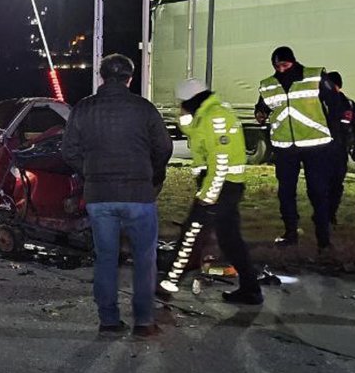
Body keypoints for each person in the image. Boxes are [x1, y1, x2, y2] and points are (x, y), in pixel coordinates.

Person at [62, 54, 173, 337]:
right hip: (139, 194)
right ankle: (144, 321)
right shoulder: (144, 108)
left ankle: (109, 320)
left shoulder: (83, 109)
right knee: (144, 258)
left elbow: (69, 151)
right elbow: (164, 148)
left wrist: (89, 172)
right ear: (130, 78)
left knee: (106, 258)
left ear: (101, 77)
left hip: (99, 196)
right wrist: (153, 174)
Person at [159, 78, 262, 305]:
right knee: (230, 240)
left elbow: (221, 160)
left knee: (191, 234)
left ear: (190, 100)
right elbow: (191, 130)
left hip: (220, 185)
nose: (180, 106)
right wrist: (185, 114)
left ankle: (168, 283)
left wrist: (209, 194)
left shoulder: (215, 116)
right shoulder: (207, 114)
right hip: (223, 186)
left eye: (182, 102)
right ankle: (251, 289)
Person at [254, 46, 348, 250]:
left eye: (285, 65)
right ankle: (290, 233)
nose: (281, 70)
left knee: (318, 192)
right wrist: (260, 113)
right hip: (285, 147)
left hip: (315, 146)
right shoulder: (268, 85)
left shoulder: (314, 77)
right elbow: (262, 106)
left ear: (294, 61)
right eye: (277, 66)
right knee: (286, 192)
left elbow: (335, 104)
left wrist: (335, 135)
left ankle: (323, 238)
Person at [325, 71, 355, 225]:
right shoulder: (345, 104)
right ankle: (327, 214)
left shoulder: (347, 105)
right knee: (329, 185)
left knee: (334, 185)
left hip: (334, 151)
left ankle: (329, 215)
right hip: (330, 151)